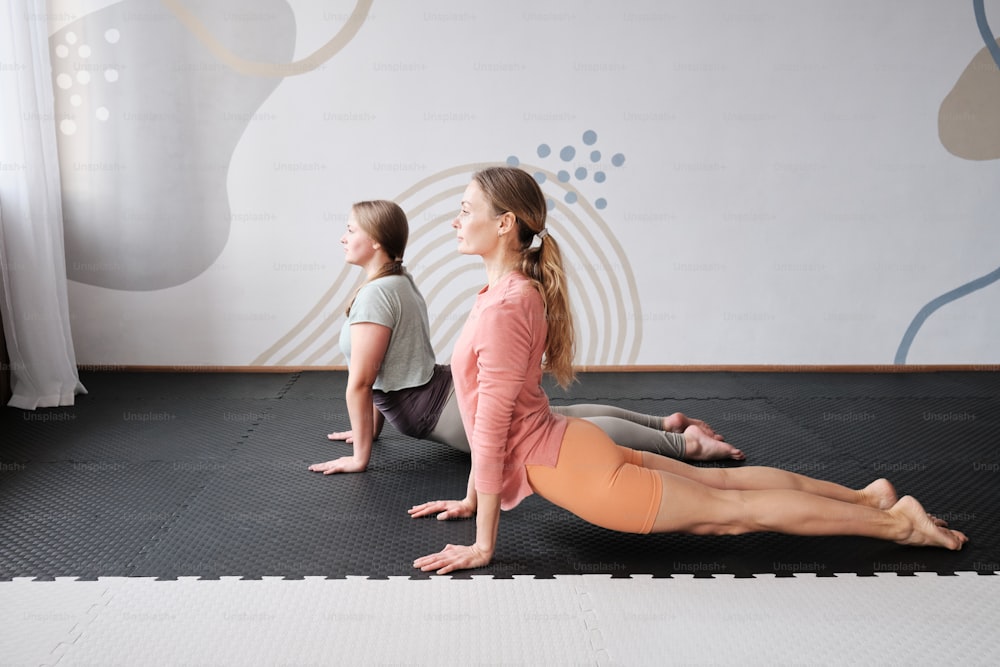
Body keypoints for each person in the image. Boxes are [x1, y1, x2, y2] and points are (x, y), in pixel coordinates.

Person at [409, 166, 968, 575]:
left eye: (465, 209)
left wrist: (484, 545)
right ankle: (868, 499)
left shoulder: (506, 304)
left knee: (731, 511)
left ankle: (899, 523)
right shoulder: (504, 292)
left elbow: (490, 427)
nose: (456, 220)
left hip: (574, 466)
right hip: (571, 446)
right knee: (725, 488)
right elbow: (489, 411)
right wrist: (471, 499)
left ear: (504, 223)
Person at [308, 200, 742, 476]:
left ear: (377, 242)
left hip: (443, 411)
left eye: (351, 229)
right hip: (443, 394)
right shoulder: (398, 281)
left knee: (561, 431)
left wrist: (360, 456)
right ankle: (666, 423)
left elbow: (362, 382)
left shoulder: (376, 297)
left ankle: (684, 445)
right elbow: (385, 371)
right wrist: (365, 430)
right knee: (559, 416)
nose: (343, 237)